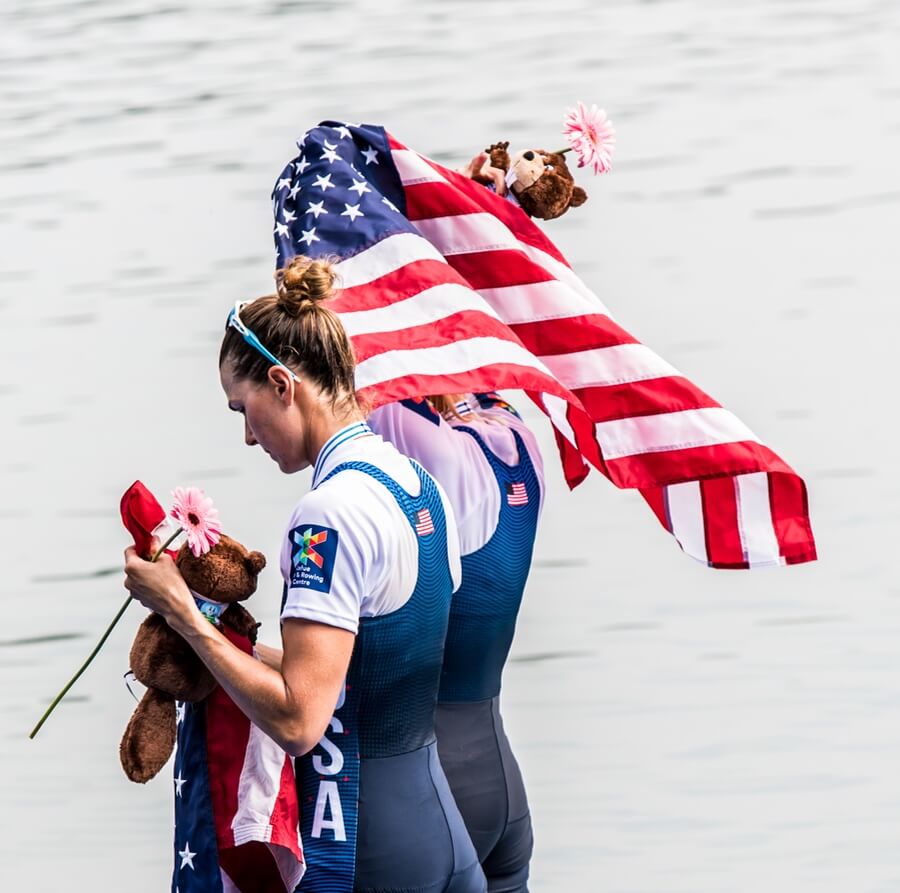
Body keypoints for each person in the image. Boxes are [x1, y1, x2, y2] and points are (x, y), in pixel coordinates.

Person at [123, 256, 486, 893]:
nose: (246, 436)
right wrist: (216, 637)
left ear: (282, 384)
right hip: (439, 831)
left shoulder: (327, 515)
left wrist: (182, 612)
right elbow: (362, 660)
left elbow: (298, 722)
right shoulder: (417, 483)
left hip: (363, 849)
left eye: (243, 408)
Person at [368, 391, 544, 893]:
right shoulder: (516, 433)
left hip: (433, 789)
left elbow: (351, 390)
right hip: (499, 779)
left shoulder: (413, 433)